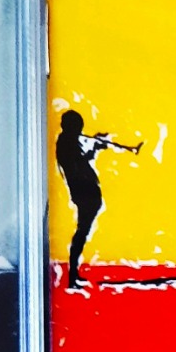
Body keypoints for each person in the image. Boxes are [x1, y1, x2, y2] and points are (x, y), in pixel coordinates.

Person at [55, 110, 108, 288]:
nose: (80, 130)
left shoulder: (67, 141)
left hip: (84, 190)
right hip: (83, 191)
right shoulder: (66, 143)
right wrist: (94, 149)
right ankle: (72, 276)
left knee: (82, 232)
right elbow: (76, 167)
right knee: (81, 232)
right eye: (78, 126)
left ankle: (74, 274)